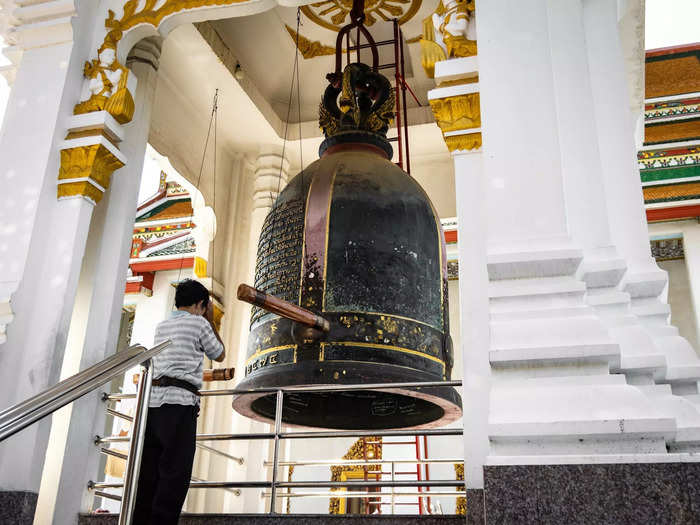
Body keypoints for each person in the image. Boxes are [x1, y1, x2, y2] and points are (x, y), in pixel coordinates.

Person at [133, 279, 225, 524]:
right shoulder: (199, 323)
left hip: (153, 403)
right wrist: (210, 320)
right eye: (204, 307)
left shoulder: (162, 326)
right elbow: (219, 353)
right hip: (180, 404)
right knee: (175, 470)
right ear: (199, 304)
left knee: (149, 470)